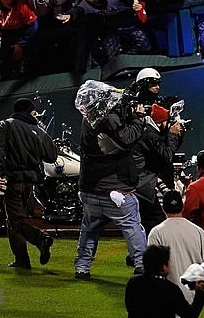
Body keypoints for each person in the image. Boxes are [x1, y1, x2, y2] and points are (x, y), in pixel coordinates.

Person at [74, 92, 148, 279]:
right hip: (115, 190)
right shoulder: (108, 118)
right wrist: (137, 119)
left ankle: (82, 266)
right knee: (132, 227)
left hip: (90, 188)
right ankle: (142, 264)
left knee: (89, 229)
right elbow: (127, 138)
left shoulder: (87, 119)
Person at [0, 97, 56, 269]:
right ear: (27, 111)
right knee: (17, 221)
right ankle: (22, 260)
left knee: (15, 222)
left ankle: (40, 240)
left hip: (12, 180)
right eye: (34, 112)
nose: (36, 115)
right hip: (30, 184)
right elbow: (51, 156)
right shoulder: (37, 129)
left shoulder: (4, 125)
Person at [147, 190, 204, 318]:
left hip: (168, 296)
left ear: (163, 208)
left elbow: (152, 267)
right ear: (182, 206)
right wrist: (203, 283)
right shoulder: (198, 231)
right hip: (194, 296)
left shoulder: (156, 233)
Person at [134, 103, 184, 234]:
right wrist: (172, 135)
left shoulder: (152, 132)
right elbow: (167, 154)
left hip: (148, 181)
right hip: (147, 183)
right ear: (161, 122)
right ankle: (152, 250)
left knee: (152, 220)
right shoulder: (150, 135)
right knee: (156, 220)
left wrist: (176, 136)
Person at [124, 243, 204, 318]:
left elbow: (130, 308)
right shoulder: (170, 289)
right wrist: (200, 292)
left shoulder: (132, 283)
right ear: (164, 267)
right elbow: (190, 315)